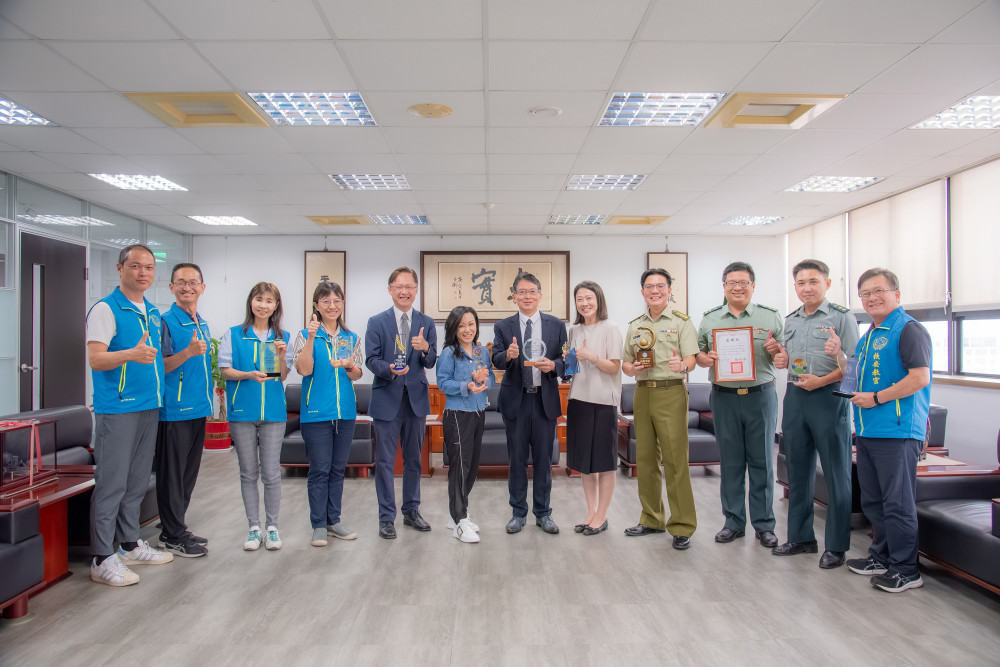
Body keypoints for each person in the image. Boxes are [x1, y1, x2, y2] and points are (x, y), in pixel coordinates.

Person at [828, 268, 931, 593]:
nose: (872, 298)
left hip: (898, 431)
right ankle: (881, 557)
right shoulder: (870, 334)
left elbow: (920, 378)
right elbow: (853, 377)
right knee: (873, 500)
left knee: (897, 503)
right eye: (865, 294)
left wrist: (876, 398)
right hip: (868, 429)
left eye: (878, 291)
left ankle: (906, 569)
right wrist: (839, 355)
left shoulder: (909, 329)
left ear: (896, 294)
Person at [86, 243, 173, 586]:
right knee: (112, 483)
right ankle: (101, 556)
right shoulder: (106, 309)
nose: (143, 273)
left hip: (149, 406)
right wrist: (129, 354)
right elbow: (96, 359)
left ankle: (128, 543)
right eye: (136, 266)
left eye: (149, 267)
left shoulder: (151, 311)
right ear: (120, 269)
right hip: (118, 408)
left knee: (136, 482)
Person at [765, 259, 858, 569]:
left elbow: (854, 370)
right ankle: (801, 537)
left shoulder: (842, 317)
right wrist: (780, 359)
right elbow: (789, 359)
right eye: (801, 283)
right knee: (798, 471)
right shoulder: (791, 320)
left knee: (836, 474)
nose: (807, 288)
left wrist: (832, 366)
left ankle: (837, 546)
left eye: (813, 282)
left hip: (829, 398)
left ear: (827, 284)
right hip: (796, 397)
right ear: (795, 286)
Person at [696, 261, 783, 547]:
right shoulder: (710, 319)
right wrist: (705, 359)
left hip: (760, 396)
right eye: (732, 283)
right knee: (731, 462)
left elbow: (785, 358)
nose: (737, 287)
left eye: (743, 282)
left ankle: (764, 524)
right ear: (724, 287)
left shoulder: (770, 317)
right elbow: (698, 354)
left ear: (753, 286)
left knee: (762, 462)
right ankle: (733, 522)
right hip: (724, 397)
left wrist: (777, 351)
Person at [621, 269, 698, 550]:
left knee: (675, 461)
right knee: (645, 459)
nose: (655, 291)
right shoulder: (635, 325)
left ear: (669, 290)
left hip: (671, 392)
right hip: (642, 393)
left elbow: (691, 359)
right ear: (642, 291)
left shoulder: (681, 322)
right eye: (649, 286)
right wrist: (633, 369)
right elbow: (625, 363)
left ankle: (682, 525)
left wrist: (683, 366)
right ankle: (652, 519)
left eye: (660, 286)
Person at [365, 267, 438, 539]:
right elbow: (371, 359)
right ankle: (386, 517)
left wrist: (425, 348)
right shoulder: (377, 322)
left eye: (409, 287)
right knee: (385, 461)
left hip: (416, 400)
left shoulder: (426, 322)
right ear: (390, 290)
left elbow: (431, 361)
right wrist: (390, 370)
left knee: (414, 460)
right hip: (386, 398)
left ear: (416, 290)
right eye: (399, 286)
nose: (404, 291)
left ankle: (411, 511)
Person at [492, 272, 567, 535]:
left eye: (532, 291)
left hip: (544, 400)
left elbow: (565, 360)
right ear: (514, 296)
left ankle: (543, 513)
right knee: (517, 461)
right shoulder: (503, 326)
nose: (527, 296)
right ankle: (518, 513)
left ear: (540, 295)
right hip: (516, 400)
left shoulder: (556, 325)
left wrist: (553, 366)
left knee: (544, 461)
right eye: (522, 292)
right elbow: (496, 360)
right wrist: (507, 355)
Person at [219, 282, 291, 552]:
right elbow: (225, 370)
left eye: (269, 301)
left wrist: (281, 356)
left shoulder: (282, 337)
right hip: (242, 412)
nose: (263, 305)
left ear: (276, 306)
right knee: (248, 473)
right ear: (251, 302)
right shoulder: (234, 334)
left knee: (271, 473)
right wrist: (248, 375)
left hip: (273, 413)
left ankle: (272, 528)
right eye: (259, 299)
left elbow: (282, 376)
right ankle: (253, 528)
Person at [293, 282, 363, 547]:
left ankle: (334, 520)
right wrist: (312, 338)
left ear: (342, 304)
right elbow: (303, 369)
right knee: (319, 470)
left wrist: (349, 366)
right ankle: (319, 525)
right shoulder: (304, 335)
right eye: (326, 301)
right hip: (316, 413)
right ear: (316, 305)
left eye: (337, 301)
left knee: (337, 469)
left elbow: (357, 374)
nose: (332, 306)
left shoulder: (351, 337)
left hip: (345, 413)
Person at [155, 262, 213, 558]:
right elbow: (160, 366)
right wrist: (188, 352)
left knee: (188, 475)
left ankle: (177, 527)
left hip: (198, 409)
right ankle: (171, 535)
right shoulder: (165, 322)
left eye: (192, 282)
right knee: (172, 476)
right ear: (171, 287)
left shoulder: (200, 322)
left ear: (202, 288)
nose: (187, 287)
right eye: (181, 282)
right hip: (175, 410)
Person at [566, 281, 622, 537]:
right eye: (580, 299)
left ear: (598, 299)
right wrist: (568, 363)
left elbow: (615, 367)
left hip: (603, 402)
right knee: (584, 462)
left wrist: (592, 357)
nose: (584, 303)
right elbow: (572, 366)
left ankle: (602, 515)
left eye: (589, 298)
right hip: (578, 399)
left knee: (605, 463)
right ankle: (591, 512)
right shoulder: (574, 330)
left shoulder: (610, 328)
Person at [435, 306, 495, 544]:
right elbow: (442, 383)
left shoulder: (481, 351)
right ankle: (460, 520)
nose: (467, 330)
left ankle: (458, 514)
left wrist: (483, 381)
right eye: (461, 325)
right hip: (457, 414)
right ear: (453, 328)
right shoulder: (449, 353)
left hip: (479, 412)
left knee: (471, 467)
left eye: (471, 324)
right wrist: (467, 385)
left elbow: (491, 377)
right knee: (459, 468)